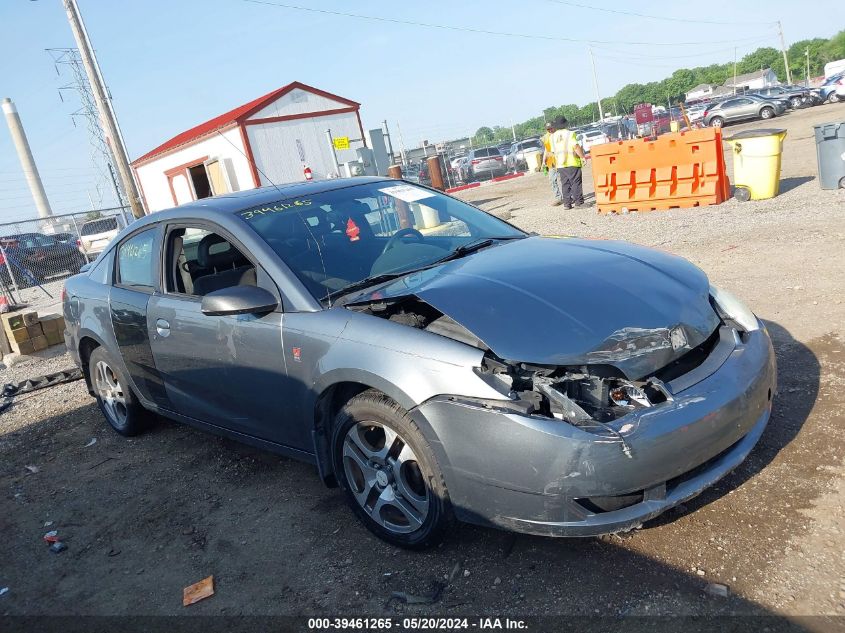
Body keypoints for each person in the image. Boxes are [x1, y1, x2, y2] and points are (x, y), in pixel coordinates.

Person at [550, 116, 588, 209]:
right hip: (572, 162)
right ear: (565, 124)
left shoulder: (552, 137)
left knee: (565, 184)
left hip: (560, 164)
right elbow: (576, 146)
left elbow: (553, 152)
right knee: (576, 183)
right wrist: (582, 157)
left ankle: (567, 204)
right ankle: (579, 203)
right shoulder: (570, 134)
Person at [541, 122, 562, 205]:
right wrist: (543, 161)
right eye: (548, 129)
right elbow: (546, 150)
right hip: (551, 162)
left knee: (564, 179)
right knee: (552, 180)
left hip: (560, 161)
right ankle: (558, 198)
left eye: (551, 128)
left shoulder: (559, 135)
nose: (550, 130)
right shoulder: (546, 137)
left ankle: (569, 196)